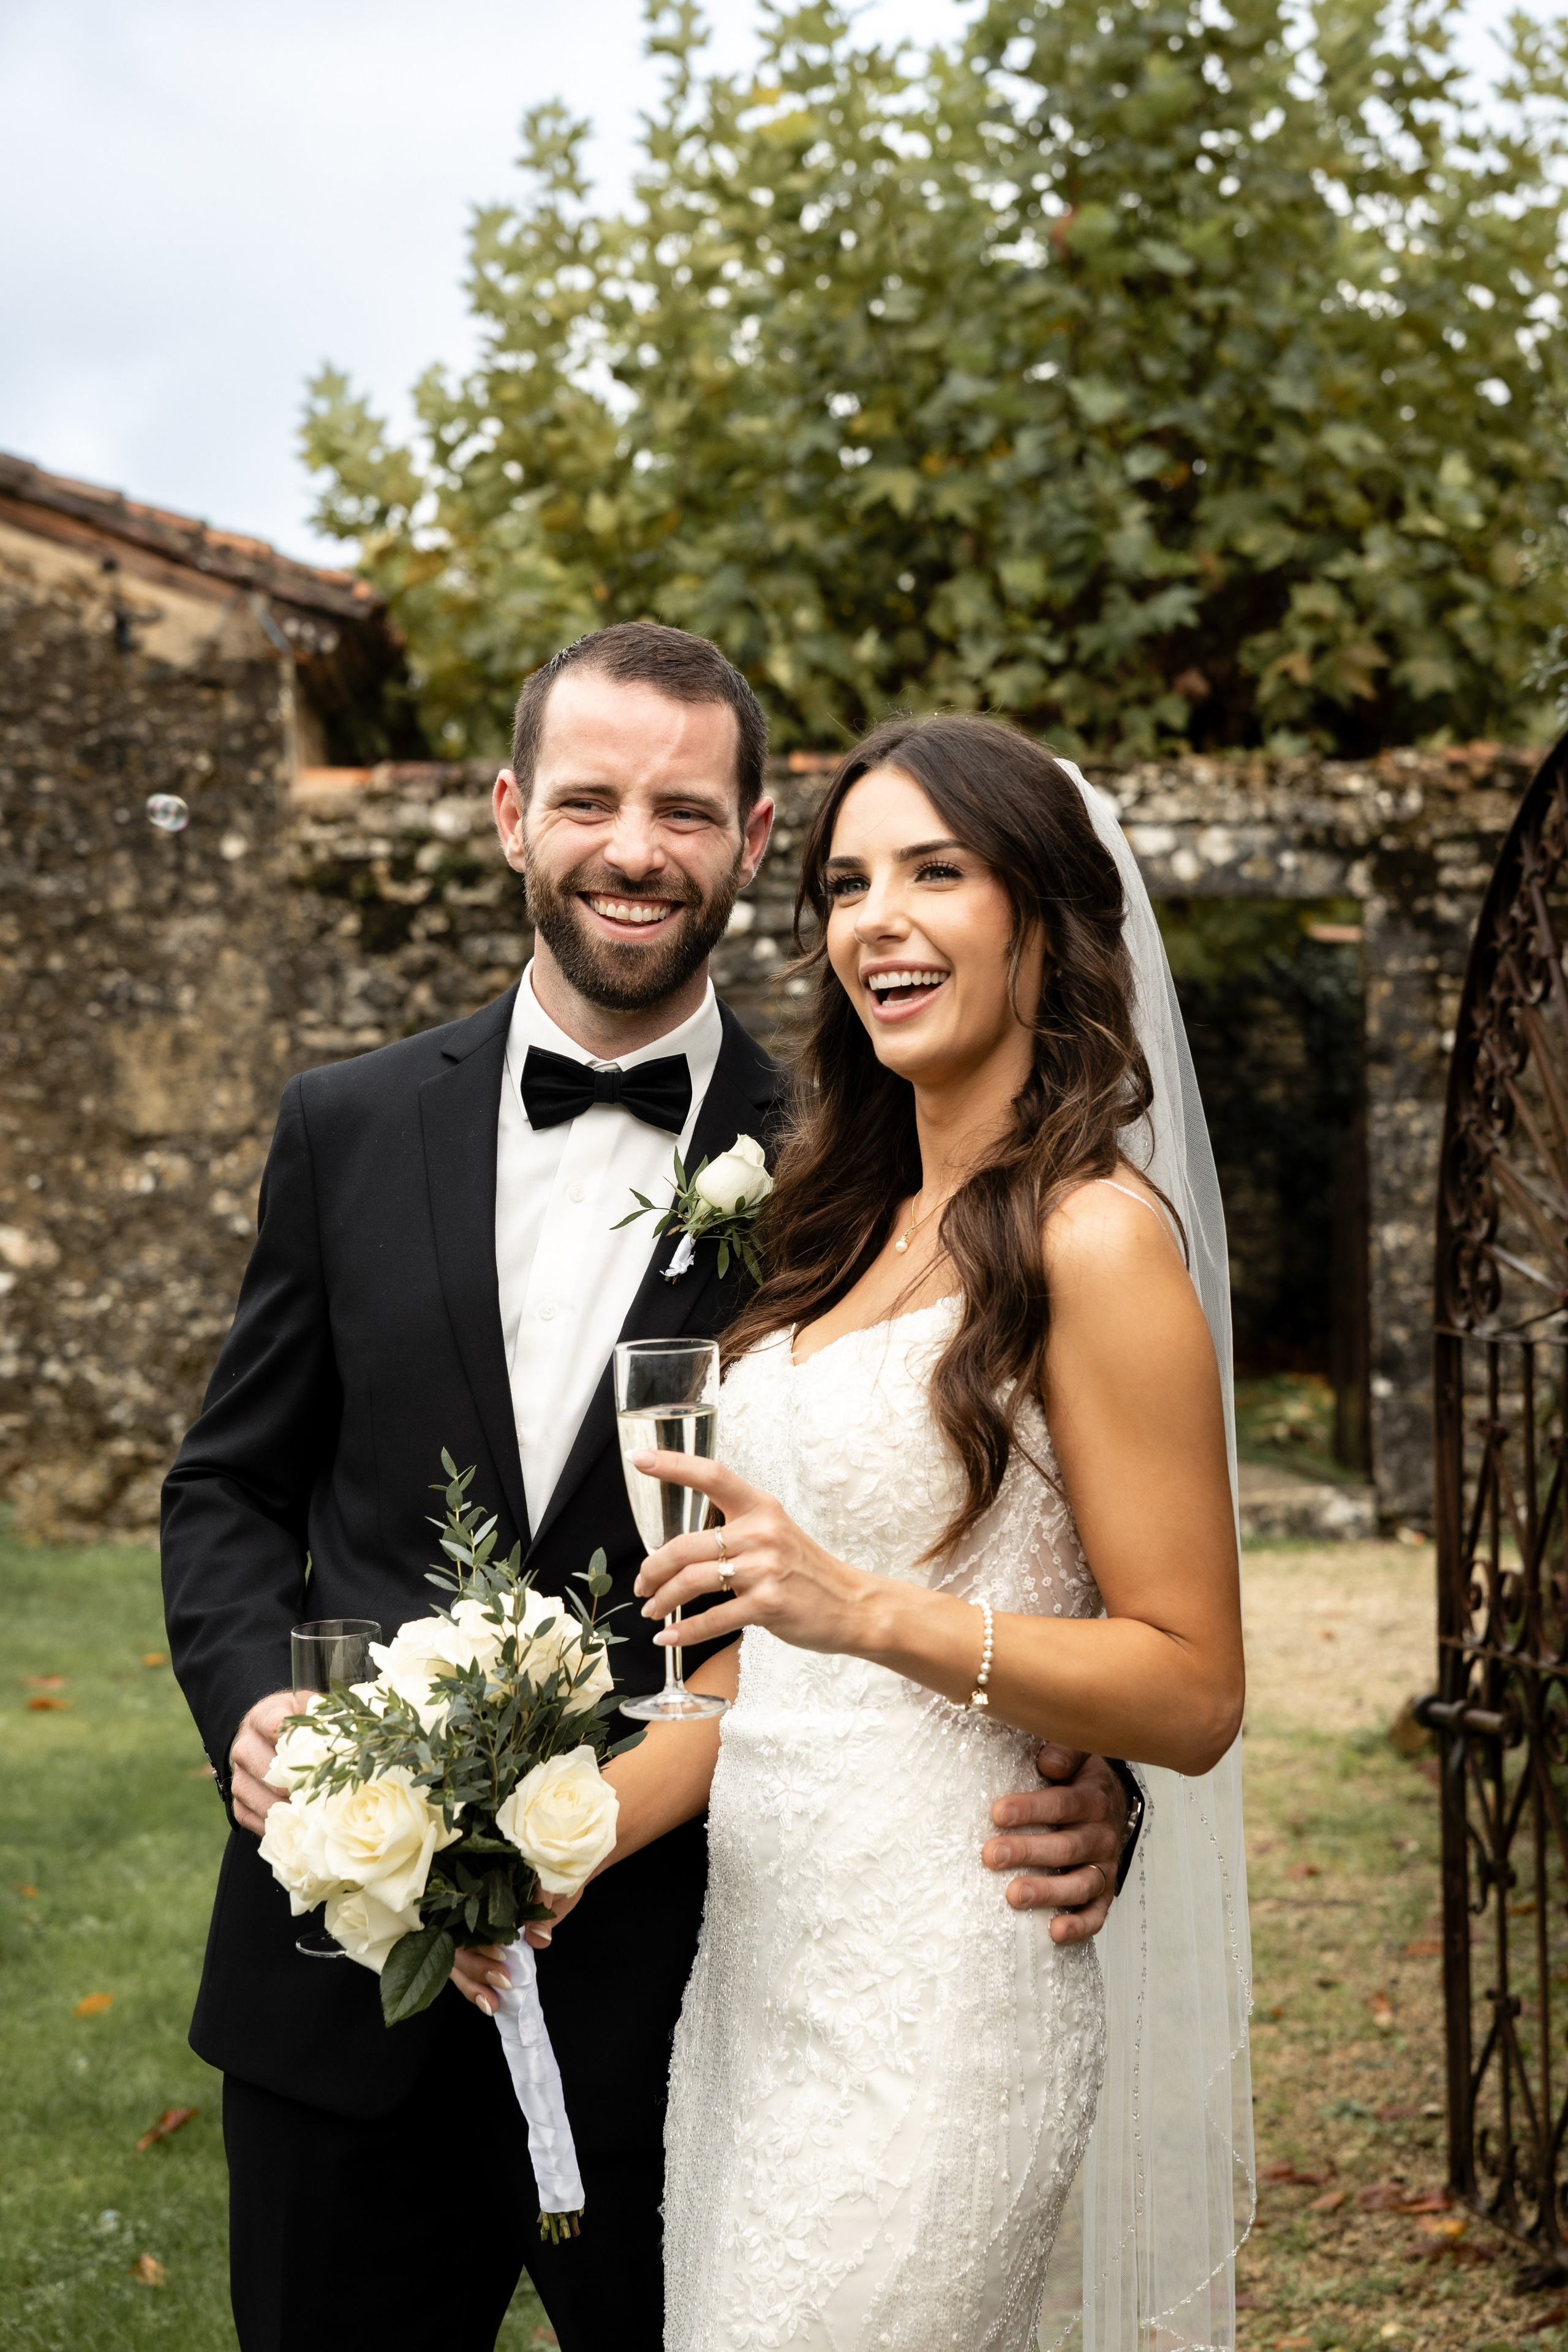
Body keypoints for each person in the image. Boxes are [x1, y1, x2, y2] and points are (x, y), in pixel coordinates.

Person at [160, 627, 1139, 2352]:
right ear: (509, 816)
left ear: (754, 844)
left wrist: (1092, 1778)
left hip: (699, 2007)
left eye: (685, 810)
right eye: (593, 799)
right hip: (335, 1986)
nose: (636, 848)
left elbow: (970, 1493)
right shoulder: (345, 1126)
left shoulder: (862, 1165)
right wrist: (252, 1705)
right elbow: (230, 1488)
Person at [593, 714, 1253, 2350]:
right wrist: (528, 1853)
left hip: (947, 1990)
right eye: (844, 884)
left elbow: (1189, 1689)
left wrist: (866, 1609)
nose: (874, 919)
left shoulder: (1095, 1239)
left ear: (1041, 920)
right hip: (755, 1996)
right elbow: (741, 1695)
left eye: (934, 873)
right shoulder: (834, 1233)